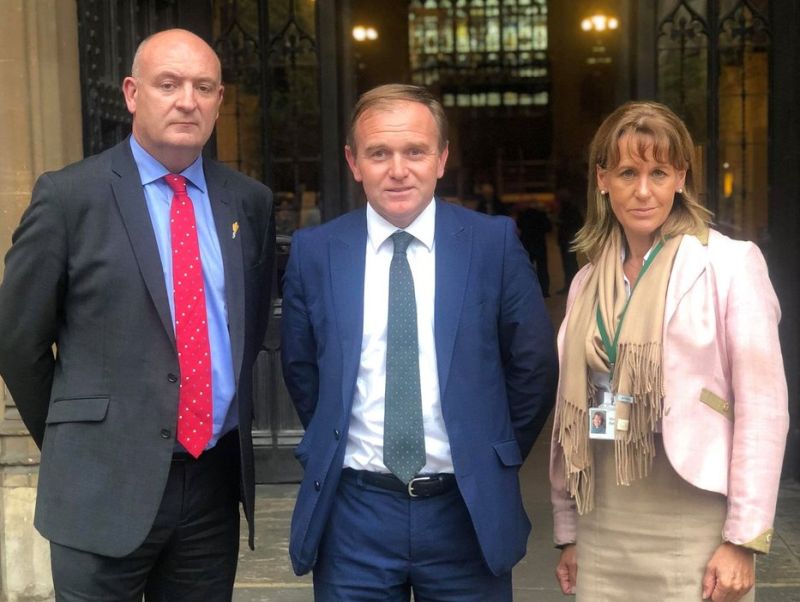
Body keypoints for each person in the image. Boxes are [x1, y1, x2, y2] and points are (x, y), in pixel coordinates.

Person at [0, 29, 275, 600]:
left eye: (204, 87)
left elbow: (246, 330)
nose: (187, 100)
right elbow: (16, 341)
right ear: (131, 93)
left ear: (220, 101)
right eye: (168, 84)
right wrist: (78, 437)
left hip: (211, 483)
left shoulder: (248, 201)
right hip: (101, 485)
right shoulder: (68, 197)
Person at [281, 83, 558, 601]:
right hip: (354, 514)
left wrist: (488, 454)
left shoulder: (492, 243)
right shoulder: (316, 252)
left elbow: (533, 368)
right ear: (353, 162)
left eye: (415, 151)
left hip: (465, 512)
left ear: (442, 158)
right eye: (379, 153)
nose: (398, 169)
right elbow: (303, 370)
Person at [549, 101, 788, 601]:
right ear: (602, 180)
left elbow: (763, 411)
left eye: (658, 172)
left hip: (693, 511)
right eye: (627, 172)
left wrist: (742, 539)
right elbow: (569, 412)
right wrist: (568, 531)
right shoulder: (589, 280)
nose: (642, 190)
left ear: (680, 177)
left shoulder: (729, 265)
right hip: (604, 513)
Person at [516, 202, 552, 297]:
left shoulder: (523, 216)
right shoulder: (540, 215)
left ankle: (528, 290)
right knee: (542, 269)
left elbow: (519, 228)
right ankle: (544, 291)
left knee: (527, 269)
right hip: (539, 244)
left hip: (527, 245)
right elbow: (548, 227)